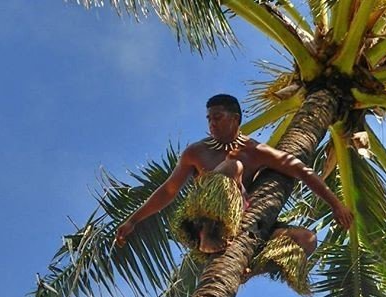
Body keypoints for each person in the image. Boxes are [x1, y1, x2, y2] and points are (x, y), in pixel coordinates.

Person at [115, 94, 353, 271]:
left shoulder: (255, 151)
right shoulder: (196, 152)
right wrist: (133, 220)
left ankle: (250, 268)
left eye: (217, 118)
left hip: (244, 223)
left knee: (307, 239)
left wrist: (336, 204)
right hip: (204, 219)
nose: (211, 124)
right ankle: (209, 237)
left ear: (235, 119)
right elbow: (168, 190)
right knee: (233, 165)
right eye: (209, 119)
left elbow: (301, 171)